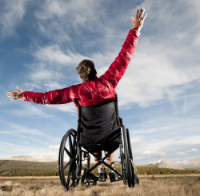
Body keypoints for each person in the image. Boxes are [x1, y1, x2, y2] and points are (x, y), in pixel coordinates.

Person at [7, 8, 147, 182]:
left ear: (80, 76)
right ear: (95, 71)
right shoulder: (109, 81)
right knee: (110, 131)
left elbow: (48, 97)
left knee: (92, 133)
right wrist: (135, 30)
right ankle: (110, 169)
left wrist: (24, 95)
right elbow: (124, 57)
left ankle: (101, 170)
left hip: (88, 137)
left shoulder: (75, 91)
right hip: (111, 134)